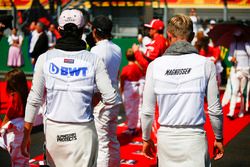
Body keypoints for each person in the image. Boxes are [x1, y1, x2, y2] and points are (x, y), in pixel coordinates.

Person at [21, 9, 120, 167]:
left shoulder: (44, 59)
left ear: (59, 30)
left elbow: (34, 99)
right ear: (82, 30)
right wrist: (89, 102)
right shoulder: (93, 60)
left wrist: (26, 134)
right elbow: (110, 97)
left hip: (54, 132)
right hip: (83, 131)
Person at [141, 14, 224, 166]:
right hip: (195, 139)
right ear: (192, 36)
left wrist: (146, 138)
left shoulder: (155, 66)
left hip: (166, 139)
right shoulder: (206, 64)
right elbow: (215, 109)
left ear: (169, 35)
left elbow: (147, 111)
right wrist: (218, 138)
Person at [90, 15, 122, 167]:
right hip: (114, 97)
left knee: (102, 143)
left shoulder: (95, 51)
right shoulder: (117, 48)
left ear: (95, 31)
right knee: (112, 140)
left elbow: (94, 79)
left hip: (101, 100)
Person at [0, 68, 29, 166]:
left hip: (14, 131)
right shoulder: (26, 94)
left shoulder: (14, 96)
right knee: (22, 158)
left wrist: (2, 126)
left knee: (17, 160)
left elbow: (9, 113)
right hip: (23, 129)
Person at [226, 30, 250, 119]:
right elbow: (229, 56)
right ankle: (231, 112)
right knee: (234, 91)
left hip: (245, 71)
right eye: (236, 36)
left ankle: (241, 110)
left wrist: (246, 44)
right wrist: (231, 59)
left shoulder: (247, 44)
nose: (237, 38)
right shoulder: (233, 44)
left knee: (243, 91)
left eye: (239, 36)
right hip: (235, 70)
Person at [120, 48, 144, 135]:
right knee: (139, 107)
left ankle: (131, 128)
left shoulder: (126, 68)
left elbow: (122, 81)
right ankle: (139, 125)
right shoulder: (139, 67)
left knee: (130, 109)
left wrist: (121, 91)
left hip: (129, 89)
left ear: (126, 57)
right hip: (139, 88)